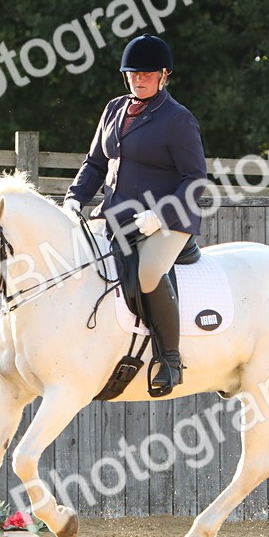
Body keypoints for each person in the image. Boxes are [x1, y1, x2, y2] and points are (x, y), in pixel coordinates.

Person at [62, 34, 208, 396]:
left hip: (167, 220)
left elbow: (195, 180)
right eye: (132, 74)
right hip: (114, 213)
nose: (138, 80)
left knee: (146, 273)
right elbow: (95, 163)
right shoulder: (114, 109)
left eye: (146, 74)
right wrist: (74, 198)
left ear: (163, 75)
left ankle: (170, 361)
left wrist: (159, 216)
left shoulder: (178, 120)